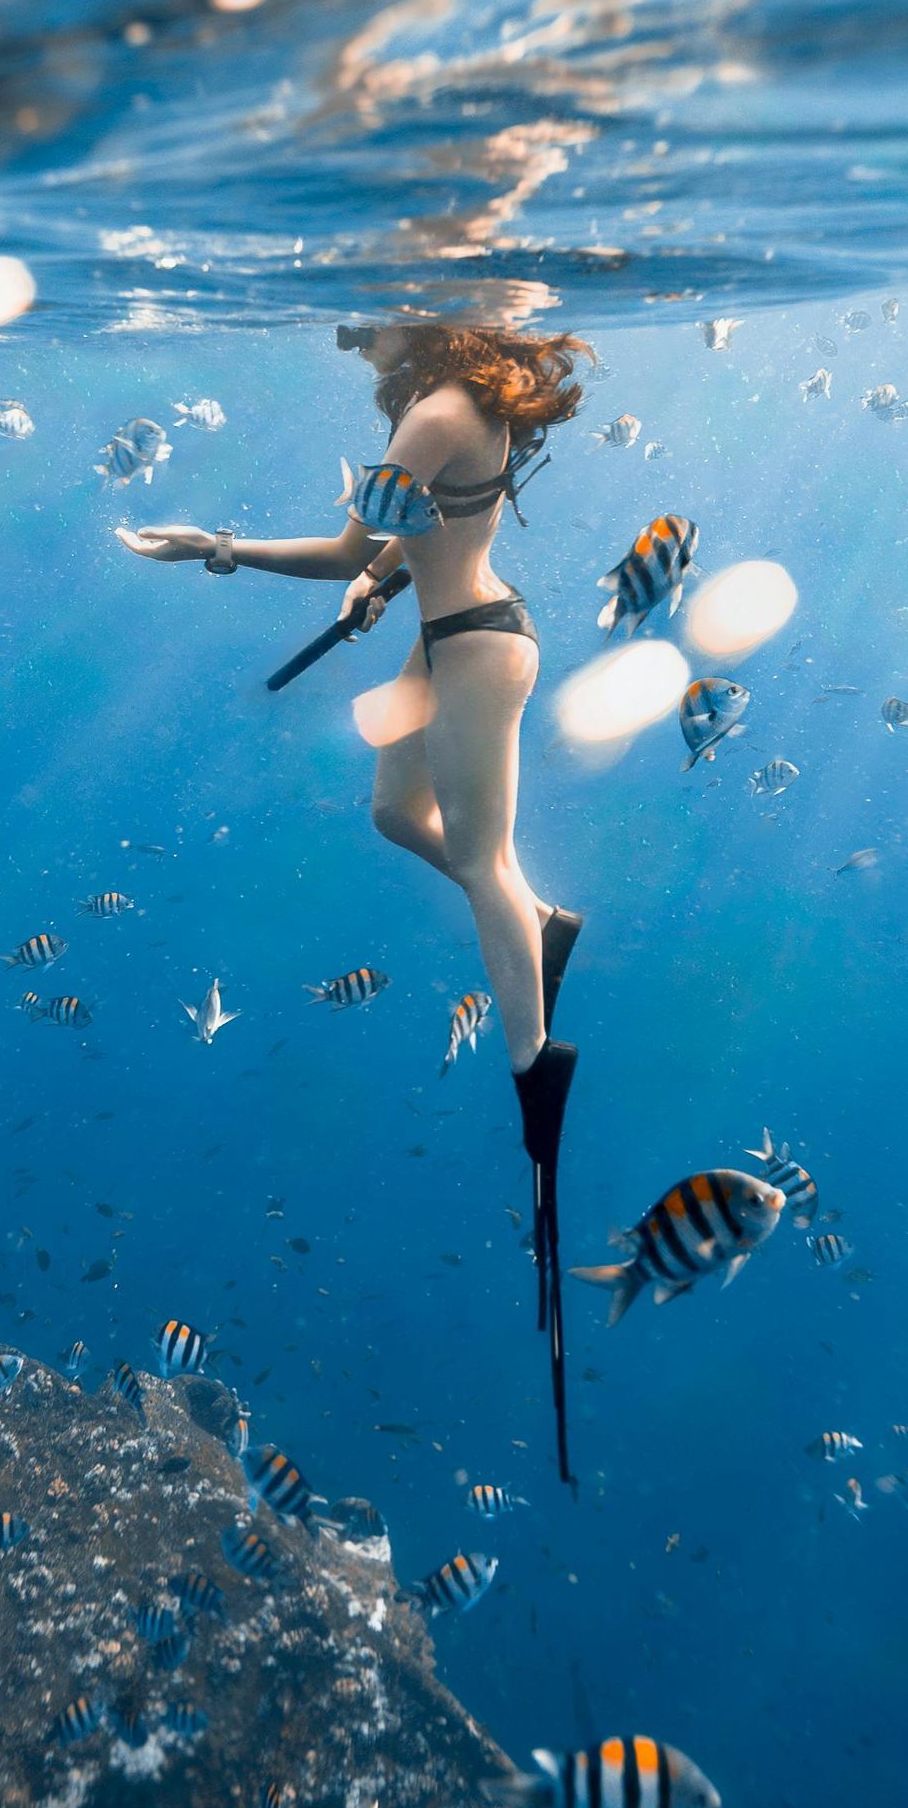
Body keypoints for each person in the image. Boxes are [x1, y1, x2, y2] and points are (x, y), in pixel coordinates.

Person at [118, 317, 591, 1482]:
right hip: (454, 631)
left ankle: (538, 1072)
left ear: (426, 317)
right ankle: (540, 927)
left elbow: (341, 550)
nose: (352, 326)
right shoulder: (450, 408)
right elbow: (423, 532)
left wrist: (212, 547)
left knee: (483, 857)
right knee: (395, 814)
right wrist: (394, 577)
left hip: (477, 648)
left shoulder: (434, 412)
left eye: (373, 311)